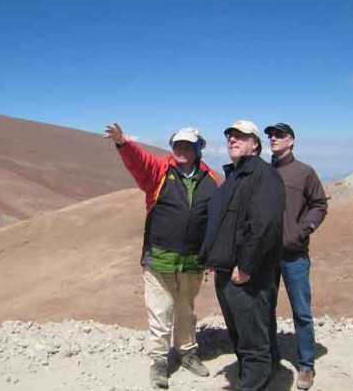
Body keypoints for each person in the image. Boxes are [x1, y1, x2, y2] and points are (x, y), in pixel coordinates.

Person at [104, 123, 221, 389]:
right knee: (160, 313)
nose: (182, 149)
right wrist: (123, 143)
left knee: (186, 311)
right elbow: (139, 162)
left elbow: (215, 219)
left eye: (188, 145)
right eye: (178, 144)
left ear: (198, 149)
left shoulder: (210, 179)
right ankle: (159, 360)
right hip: (159, 258)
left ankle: (186, 352)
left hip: (193, 261)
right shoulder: (159, 171)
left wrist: (213, 254)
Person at [200, 120, 285, 391]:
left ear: (255, 144)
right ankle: (253, 378)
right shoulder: (235, 177)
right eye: (230, 136)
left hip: (248, 275)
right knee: (239, 333)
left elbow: (265, 225)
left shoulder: (264, 175)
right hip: (227, 271)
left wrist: (246, 266)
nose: (232, 140)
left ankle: (253, 383)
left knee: (253, 338)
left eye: (240, 136)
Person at [264, 122, 328, 391]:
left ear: (291, 141)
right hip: (266, 256)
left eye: (279, 135)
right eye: (270, 135)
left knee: (301, 311)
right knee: (265, 309)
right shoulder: (265, 171)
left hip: (294, 255)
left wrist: (302, 230)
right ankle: (271, 361)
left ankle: (306, 365)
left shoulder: (304, 172)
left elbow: (319, 204)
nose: (273, 138)